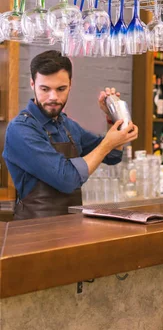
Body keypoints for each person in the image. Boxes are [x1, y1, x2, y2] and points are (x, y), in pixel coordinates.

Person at [3, 50, 138, 220]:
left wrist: (114, 117)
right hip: (34, 233)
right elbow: (66, 179)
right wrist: (107, 144)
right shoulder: (21, 129)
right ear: (32, 84)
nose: (54, 97)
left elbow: (112, 155)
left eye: (61, 89)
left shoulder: (68, 126)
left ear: (70, 85)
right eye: (45, 89)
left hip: (71, 227)